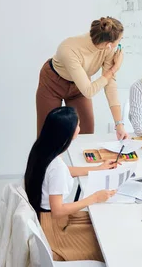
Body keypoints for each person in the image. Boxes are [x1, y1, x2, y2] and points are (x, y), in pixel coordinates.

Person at [24, 107, 118, 262]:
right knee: (105, 246)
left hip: (43, 218)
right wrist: (95, 197)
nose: (80, 129)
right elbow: (58, 210)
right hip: (54, 228)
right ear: (68, 132)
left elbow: (62, 172)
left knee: (101, 227)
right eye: (78, 126)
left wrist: (97, 168)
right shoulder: (57, 168)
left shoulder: (42, 149)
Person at [36, 17, 128, 139]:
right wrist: (114, 68)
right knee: (47, 135)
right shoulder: (68, 49)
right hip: (53, 82)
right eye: (120, 39)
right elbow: (89, 91)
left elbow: (109, 84)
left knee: (86, 132)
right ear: (108, 44)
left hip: (80, 85)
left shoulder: (108, 49)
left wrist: (119, 124)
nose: (120, 42)